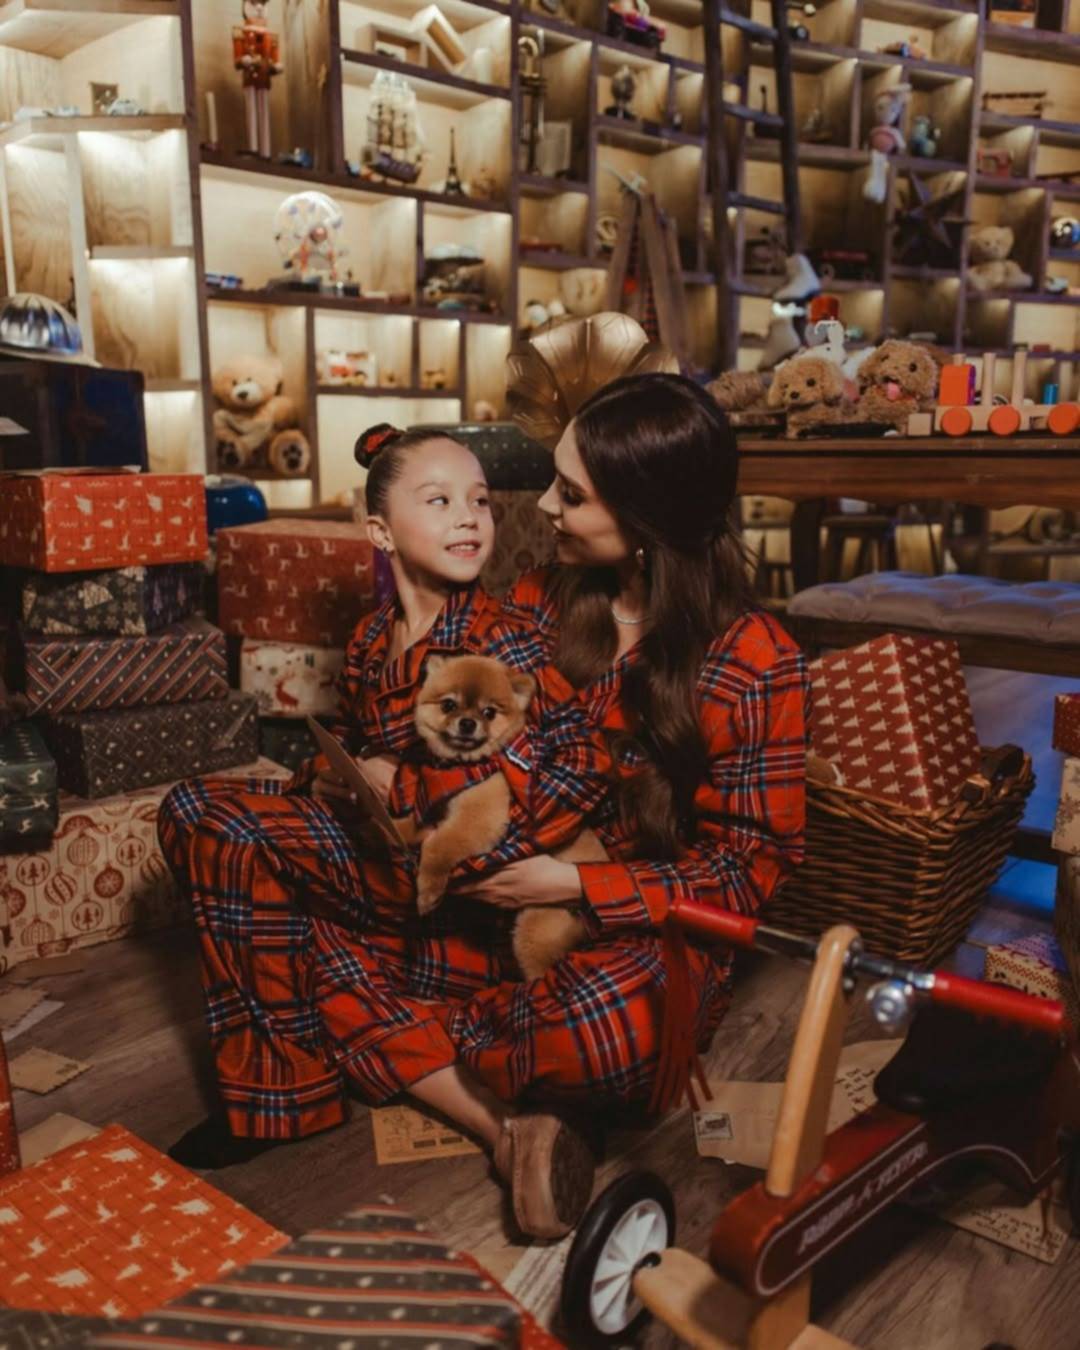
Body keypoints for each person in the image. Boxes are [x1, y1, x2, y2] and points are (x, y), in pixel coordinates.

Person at [158, 425, 609, 1238]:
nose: (469, 518)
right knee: (242, 863)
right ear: (378, 531)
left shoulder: (504, 638)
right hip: (385, 867)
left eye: (479, 500)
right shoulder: (370, 642)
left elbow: (573, 776)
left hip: (470, 886)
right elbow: (368, 764)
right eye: (437, 501)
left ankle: (341, 1099)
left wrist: (410, 786)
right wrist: (336, 776)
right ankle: (313, 1106)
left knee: (220, 838)